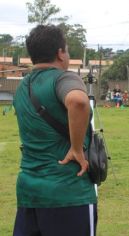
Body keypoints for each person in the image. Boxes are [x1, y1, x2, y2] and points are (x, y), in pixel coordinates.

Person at [12, 25, 97, 236]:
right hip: (68, 192)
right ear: (60, 53)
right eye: (66, 50)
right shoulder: (64, 77)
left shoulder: (23, 87)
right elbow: (78, 101)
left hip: (29, 193)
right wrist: (77, 148)